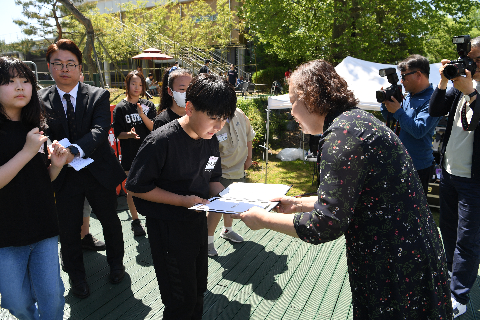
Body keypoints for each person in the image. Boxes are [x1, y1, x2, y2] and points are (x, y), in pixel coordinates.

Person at [233, 60, 452, 319]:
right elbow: (357, 197)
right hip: (410, 255)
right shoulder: (356, 122)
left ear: (310, 99)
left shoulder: (341, 135)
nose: (291, 111)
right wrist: (299, 203)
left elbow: (325, 224)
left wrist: (263, 219)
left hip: (394, 266)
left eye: (293, 101)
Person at [125, 74, 236, 319]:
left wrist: (234, 200)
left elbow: (211, 178)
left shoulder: (210, 141)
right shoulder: (160, 141)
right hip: (167, 231)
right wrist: (182, 200)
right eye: (213, 118)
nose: (219, 126)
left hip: (196, 226)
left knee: (197, 291)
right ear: (190, 108)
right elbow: (135, 187)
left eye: (224, 119)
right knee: (179, 302)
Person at [39, 39, 126, 299]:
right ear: (49, 67)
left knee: (110, 220)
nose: (64, 69)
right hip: (64, 177)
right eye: (58, 64)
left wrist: (73, 152)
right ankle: (77, 278)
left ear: (79, 68)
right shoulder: (41, 99)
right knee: (68, 228)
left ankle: (116, 264)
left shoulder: (98, 95)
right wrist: (54, 149)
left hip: (98, 171)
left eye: (70, 64)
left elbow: (100, 131)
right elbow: (43, 132)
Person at [0, 57, 68, 320]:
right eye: (9, 81)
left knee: (53, 296)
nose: (19, 87)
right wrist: (28, 151)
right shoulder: (29, 139)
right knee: (15, 301)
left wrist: (57, 166)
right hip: (6, 234)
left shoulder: (36, 128)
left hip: (43, 226)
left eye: (25, 81)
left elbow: (40, 181)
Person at [429, 36, 480, 318]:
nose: (467, 62)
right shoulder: (459, 83)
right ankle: (450, 272)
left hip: (474, 180)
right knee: (448, 229)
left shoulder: (470, 88)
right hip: (449, 173)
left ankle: (459, 295)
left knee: (468, 239)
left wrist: (472, 93)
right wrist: (443, 82)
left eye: (473, 57)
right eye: (466, 56)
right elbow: (435, 110)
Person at [380, 54, 441, 195]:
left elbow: (418, 130)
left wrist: (399, 111)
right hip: (398, 163)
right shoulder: (408, 96)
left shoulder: (433, 100)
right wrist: (386, 104)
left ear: (418, 74)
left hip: (417, 167)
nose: (401, 81)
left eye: (404, 76)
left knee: (414, 213)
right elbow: (393, 120)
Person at [207, 108, 255, 256]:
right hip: (220, 172)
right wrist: (207, 175)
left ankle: (227, 230)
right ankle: (207, 241)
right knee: (216, 208)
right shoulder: (211, 119)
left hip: (238, 169)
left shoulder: (239, 114)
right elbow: (207, 152)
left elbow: (249, 136)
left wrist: (249, 158)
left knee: (232, 203)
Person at [113, 70, 156, 236]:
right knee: (131, 189)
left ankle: (152, 218)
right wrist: (129, 135)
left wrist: (142, 115)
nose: (137, 88)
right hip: (130, 154)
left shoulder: (148, 105)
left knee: (151, 187)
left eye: (140, 85)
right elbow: (118, 133)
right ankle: (136, 220)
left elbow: (153, 127)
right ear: (127, 84)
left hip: (149, 153)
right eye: (134, 84)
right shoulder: (121, 108)